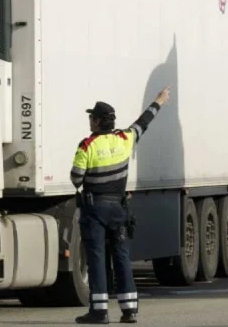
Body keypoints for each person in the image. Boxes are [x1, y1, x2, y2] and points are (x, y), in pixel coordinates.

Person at [70, 86, 171, 325]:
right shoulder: (125, 139)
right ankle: (129, 310)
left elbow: (76, 178)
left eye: (91, 118)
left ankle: (99, 312)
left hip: (95, 211)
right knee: (122, 257)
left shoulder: (87, 146)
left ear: (96, 122)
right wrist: (159, 101)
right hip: (119, 210)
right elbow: (143, 122)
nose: (89, 121)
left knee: (96, 259)